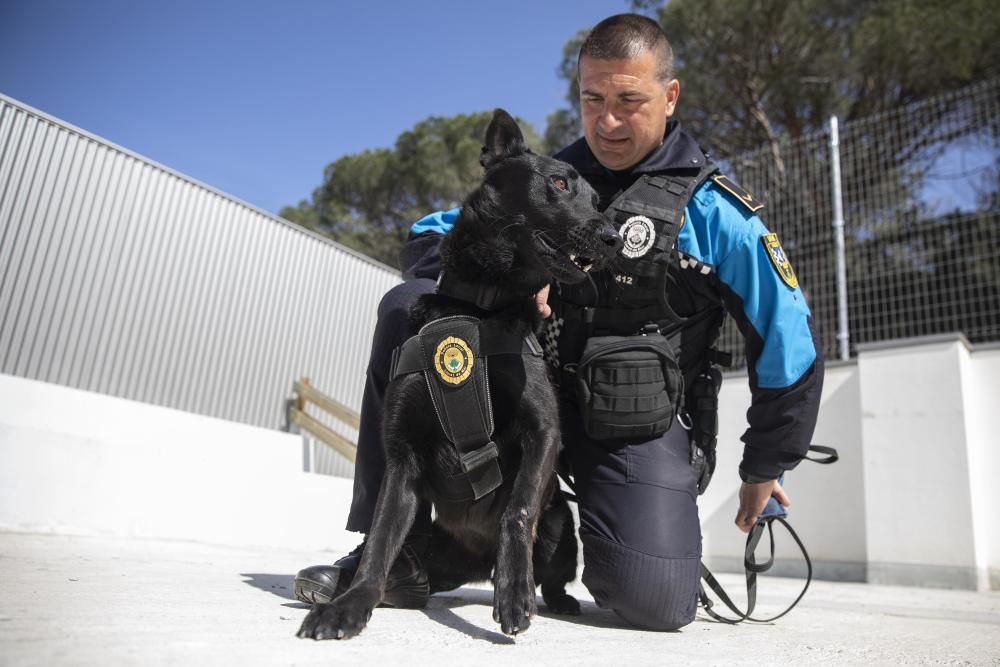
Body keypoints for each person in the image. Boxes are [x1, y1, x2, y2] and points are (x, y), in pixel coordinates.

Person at [295, 13, 823, 631]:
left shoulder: (715, 212)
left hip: (627, 420)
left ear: (670, 96)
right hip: (513, 399)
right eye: (592, 99)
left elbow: (787, 338)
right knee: (407, 306)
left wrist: (765, 465)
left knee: (654, 600)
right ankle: (384, 555)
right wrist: (513, 267)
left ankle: (600, 539)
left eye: (629, 100)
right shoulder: (549, 178)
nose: (607, 121)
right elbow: (428, 236)